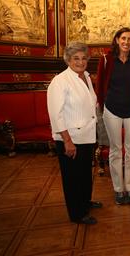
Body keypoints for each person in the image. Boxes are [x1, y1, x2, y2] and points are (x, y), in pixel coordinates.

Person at [47, 42, 102, 225]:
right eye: (76, 58)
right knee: (72, 177)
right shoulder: (60, 81)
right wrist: (67, 141)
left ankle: (85, 202)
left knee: (85, 173)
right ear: (68, 60)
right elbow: (56, 114)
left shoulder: (86, 76)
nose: (80, 62)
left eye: (84, 58)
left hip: (86, 135)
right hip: (70, 138)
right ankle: (77, 213)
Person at [96, 27, 130, 205]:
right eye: (123, 38)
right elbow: (100, 84)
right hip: (112, 110)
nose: (126, 42)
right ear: (117, 40)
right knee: (115, 150)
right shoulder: (106, 60)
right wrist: (101, 105)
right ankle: (118, 189)